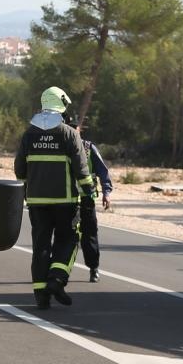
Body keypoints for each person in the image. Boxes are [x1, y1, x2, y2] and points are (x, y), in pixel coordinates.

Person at [14, 86, 92, 309]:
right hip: (65, 201)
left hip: (37, 201)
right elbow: (81, 169)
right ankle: (56, 280)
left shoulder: (29, 134)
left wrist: (32, 183)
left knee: (40, 245)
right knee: (68, 238)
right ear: (62, 105)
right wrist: (89, 193)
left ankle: (41, 294)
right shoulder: (68, 133)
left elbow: (19, 169)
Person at [74, 121, 113, 282]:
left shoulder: (89, 148)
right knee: (67, 236)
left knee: (89, 235)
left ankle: (93, 268)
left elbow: (103, 171)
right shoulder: (62, 148)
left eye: (75, 130)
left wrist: (106, 193)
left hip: (86, 199)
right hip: (67, 200)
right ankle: (60, 272)